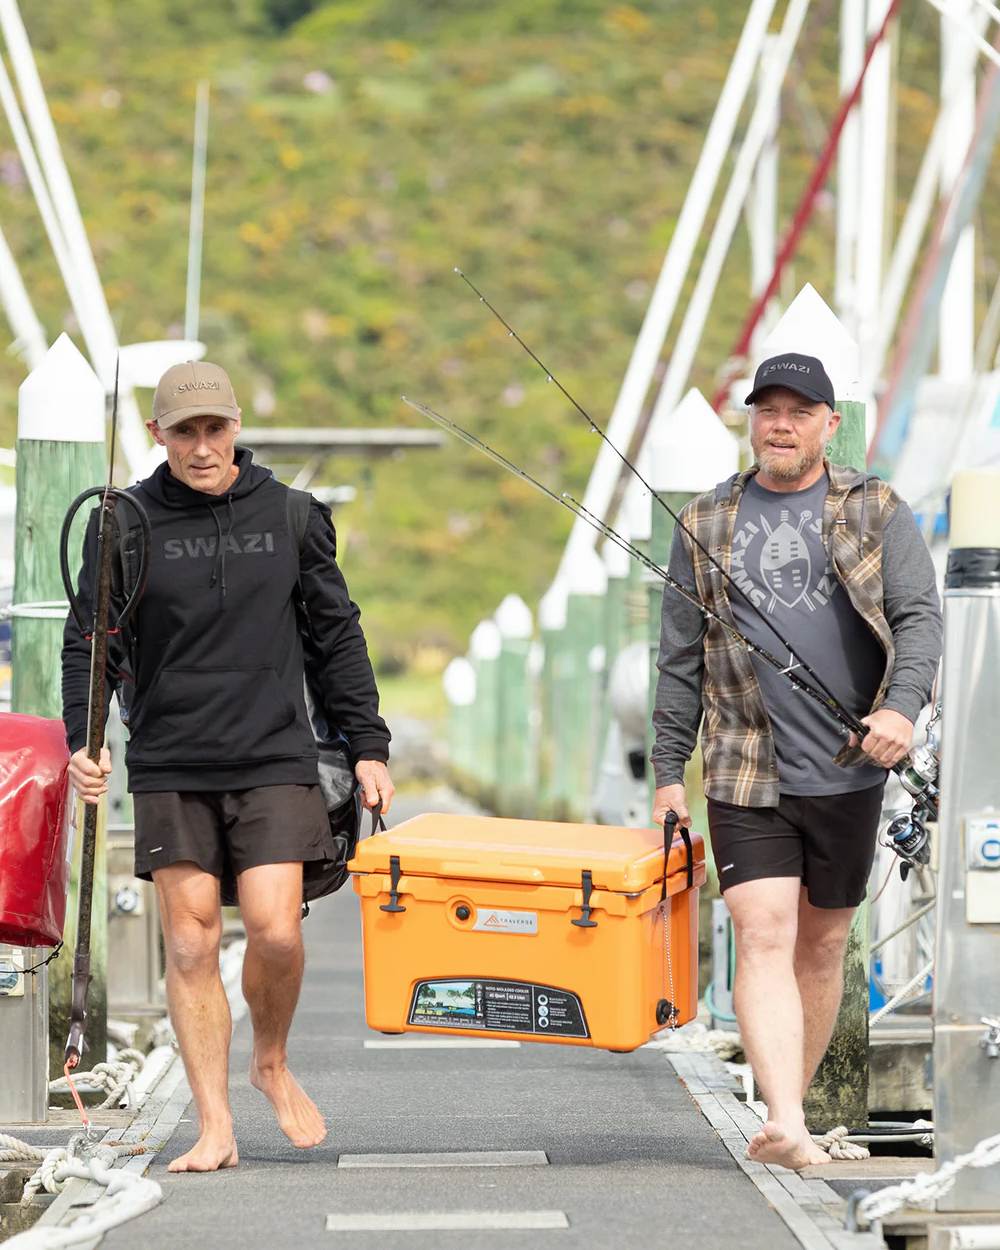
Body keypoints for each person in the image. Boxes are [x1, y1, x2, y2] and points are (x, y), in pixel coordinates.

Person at [62, 360, 394, 1173]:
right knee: (189, 942)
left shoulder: (292, 515)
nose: (202, 447)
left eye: (215, 430)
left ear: (236, 427)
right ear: (158, 436)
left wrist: (368, 743)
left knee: (277, 929)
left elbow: (335, 636)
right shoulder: (126, 523)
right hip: (171, 756)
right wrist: (86, 739)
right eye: (185, 433)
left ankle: (270, 1060)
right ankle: (215, 1126)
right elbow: (90, 642)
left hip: (276, 750)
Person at [650, 353, 941, 1170]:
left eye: (799, 412)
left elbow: (919, 619)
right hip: (746, 766)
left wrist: (900, 709)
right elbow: (679, 661)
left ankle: (797, 1117)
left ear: (829, 422)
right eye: (767, 410)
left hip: (852, 765)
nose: (781, 424)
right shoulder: (705, 522)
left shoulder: (877, 508)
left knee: (823, 943)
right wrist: (670, 774)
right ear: (752, 419)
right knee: (764, 931)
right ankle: (783, 1117)